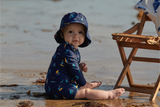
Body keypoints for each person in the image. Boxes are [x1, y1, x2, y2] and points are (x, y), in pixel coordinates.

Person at [45, 12, 125, 99]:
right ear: (62, 34)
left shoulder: (67, 48)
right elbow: (74, 70)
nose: (76, 35)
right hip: (58, 88)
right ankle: (109, 95)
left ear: (85, 34)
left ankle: (88, 85)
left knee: (81, 86)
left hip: (54, 86)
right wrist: (84, 84)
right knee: (86, 92)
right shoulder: (67, 50)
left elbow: (68, 66)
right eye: (70, 32)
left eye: (80, 32)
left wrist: (79, 66)